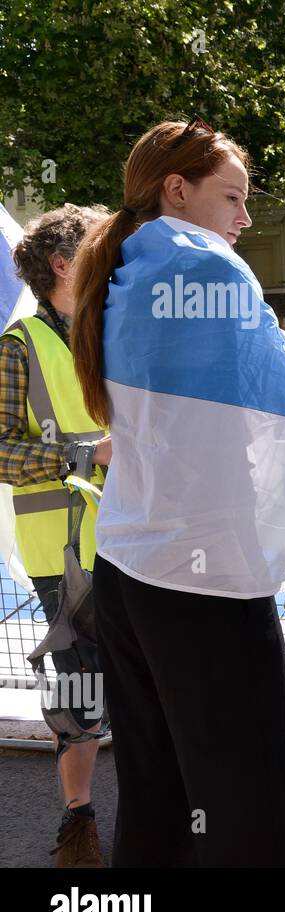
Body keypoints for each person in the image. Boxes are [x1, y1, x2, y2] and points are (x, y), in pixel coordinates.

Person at [71, 118, 285, 866]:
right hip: (205, 576)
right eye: (232, 197)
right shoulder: (207, 267)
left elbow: (190, 390)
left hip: (128, 565)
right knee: (253, 806)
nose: (245, 218)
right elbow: (272, 411)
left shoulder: (124, 270)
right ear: (177, 190)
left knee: (156, 797)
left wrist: (284, 361)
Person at [8, 204, 113, 866]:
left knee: (141, 683)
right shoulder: (19, 345)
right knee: (79, 694)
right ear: (60, 265)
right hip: (65, 556)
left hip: (136, 543)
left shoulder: (110, 332)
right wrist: (84, 454)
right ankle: (80, 822)